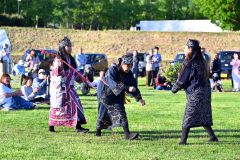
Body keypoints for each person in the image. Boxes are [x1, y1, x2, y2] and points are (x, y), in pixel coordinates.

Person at [172, 39, 218, 145]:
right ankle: (213, 137)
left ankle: (183, 141)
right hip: (206, 92)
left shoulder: (189, 63)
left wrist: (174, 89)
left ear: (190, 49)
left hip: (195, 93)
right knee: (203, 115)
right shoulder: (203, 61)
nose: (184, 49)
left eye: (185, 47)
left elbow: (182, 80)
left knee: (188, 116)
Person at [96, 54, 145, 140]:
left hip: (118, 94)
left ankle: (127, 134)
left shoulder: (129, 73)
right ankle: (98, 130)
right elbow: (113, 84)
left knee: (122, 113)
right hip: (105, 94)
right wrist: (127, 88)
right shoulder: (113, 70)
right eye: (127, 65)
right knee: (102, 113)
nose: (128, 68)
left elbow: (133, 86)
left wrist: (139, 98)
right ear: (122, 63)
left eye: (130, 66)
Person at [48, 37, 89, 133]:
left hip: (70, 87)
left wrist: (81, 78)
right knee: (57, 107)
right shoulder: (58, 59)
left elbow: (75, 73)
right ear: (63, 47)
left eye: (71, 46)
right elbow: (56, 73)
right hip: (59, 88)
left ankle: (78, 127)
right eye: (68, 46)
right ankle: (51, 127)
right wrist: (59, 65)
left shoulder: (71, 59)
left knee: (76, 104)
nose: (70, 48)